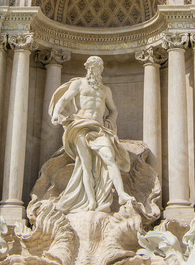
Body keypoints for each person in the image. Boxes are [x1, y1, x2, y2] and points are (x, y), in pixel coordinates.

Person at [49, 56, 134, 212]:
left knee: (109, 157)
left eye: (98, 67)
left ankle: (121, 194)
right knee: (85, 164)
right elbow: (64, 99)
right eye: (92, 67)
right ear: (87, 68)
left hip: (99, 127)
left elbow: (113, 109)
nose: (95, 70)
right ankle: (91, 201)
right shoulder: (79, 84)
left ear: (101, 70)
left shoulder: (105, 90)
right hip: (80, 125)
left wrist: (110, 121)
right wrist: (56, 113)